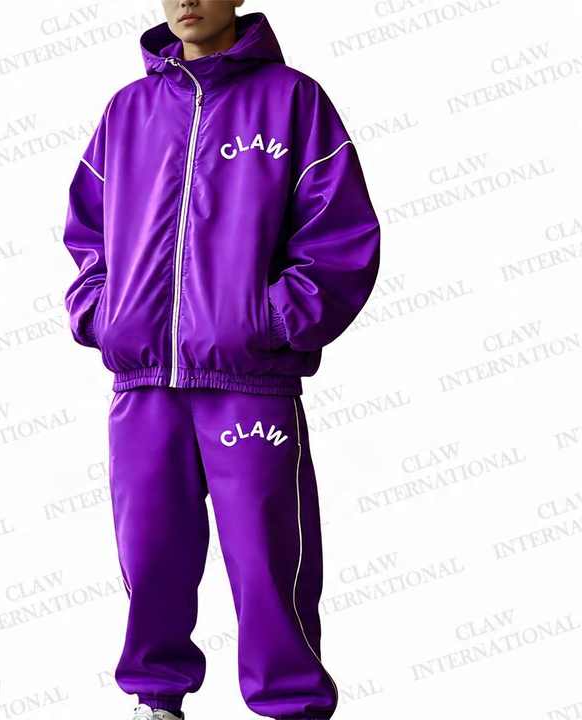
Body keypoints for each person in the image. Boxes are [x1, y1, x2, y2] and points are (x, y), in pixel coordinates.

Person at [62, 2, 381, 719]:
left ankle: (290, 706)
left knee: (268, 564)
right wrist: (102, 315)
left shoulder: (293, 101)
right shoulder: (127, 111)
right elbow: (87, 234)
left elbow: (340, 238)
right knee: (150, 557)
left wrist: (270, 321)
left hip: (249, 382)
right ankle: (157, 700)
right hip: (144, 383)